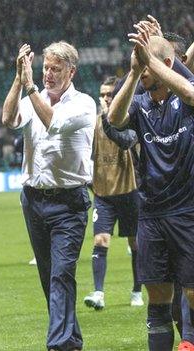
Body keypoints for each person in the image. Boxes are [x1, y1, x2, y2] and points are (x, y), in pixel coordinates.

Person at [1, 41, 95, 351]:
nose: (48, 74)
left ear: (72, 71)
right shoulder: (31, 96)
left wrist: (29, 87)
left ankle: (58, 345)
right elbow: (8, 119)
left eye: (55, 69)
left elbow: (52, 122)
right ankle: (71, 340)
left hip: (69, 203)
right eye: (45, 68)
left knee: (61, 274)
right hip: (34, 200)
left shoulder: (84, 104)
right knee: (49, 277)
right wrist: (19, 79)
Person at [108, 24, 194, 351]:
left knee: (192, 291)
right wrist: (133, 73)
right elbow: (114, 119)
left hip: (188, 209)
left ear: (165, 66)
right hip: (152, 213)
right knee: (157, 295)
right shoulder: (140, 100)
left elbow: (189, 92)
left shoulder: (186, 96)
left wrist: (153, 58)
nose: (143, 71)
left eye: (147, 65)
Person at [83, 76, 143, 310]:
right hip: (104, 195)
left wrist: (110, 119)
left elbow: (126, 142)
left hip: (129, 192)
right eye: (103, 94)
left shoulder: (129, 120)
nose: (106, 98)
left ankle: (137, 290)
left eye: (111, 94)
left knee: (135, 244)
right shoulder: (93, 124)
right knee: (101, 240)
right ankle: (98, 293)